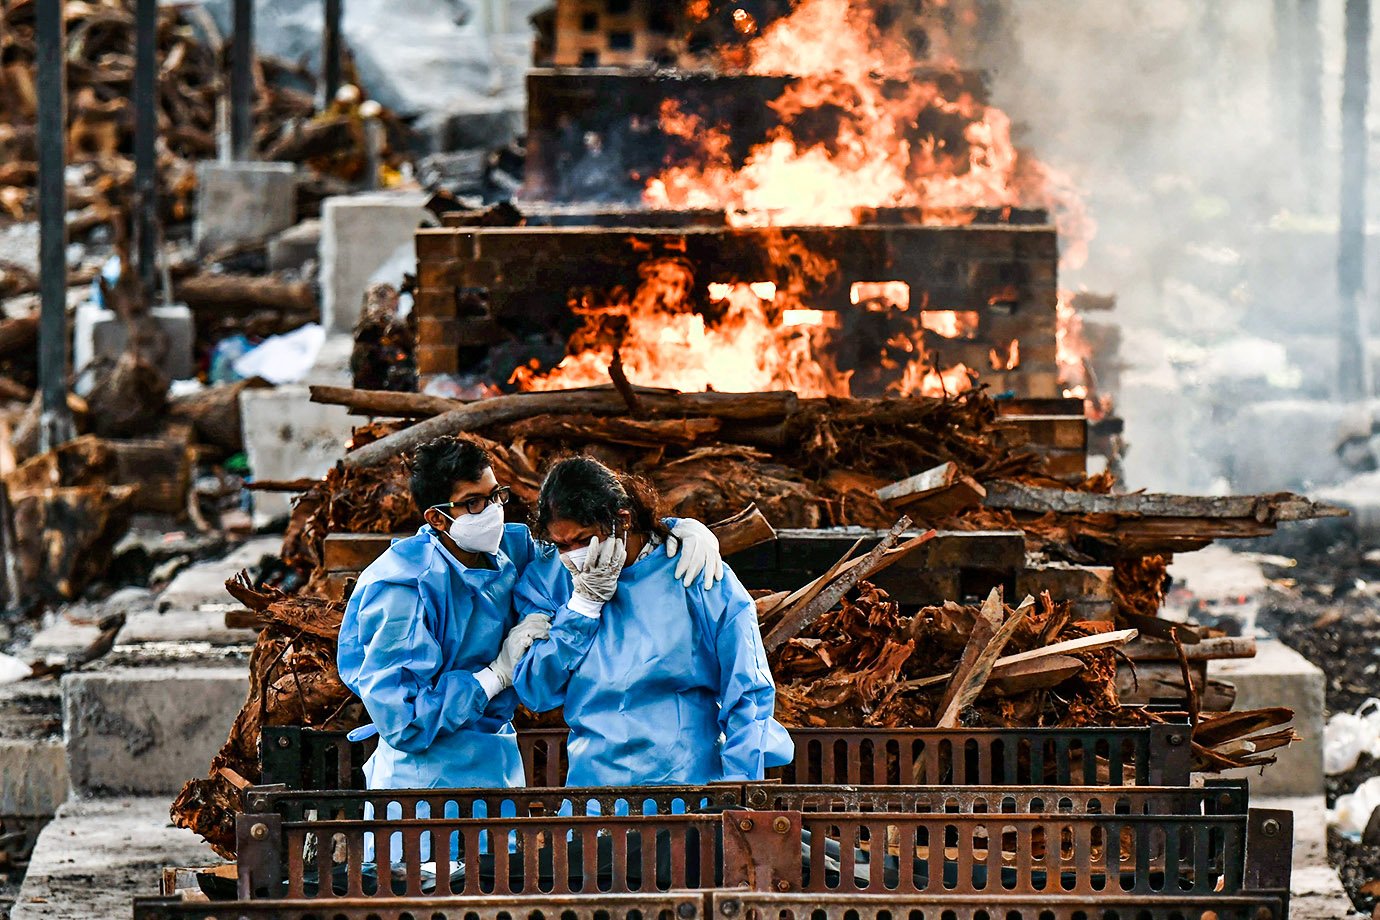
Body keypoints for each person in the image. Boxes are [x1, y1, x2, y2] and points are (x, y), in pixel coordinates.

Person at [336, 435, 725, 794]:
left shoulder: (512, 547)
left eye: (496, 496)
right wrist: (493, 678)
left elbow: (588, 535)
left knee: (494, 870)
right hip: (421, 784)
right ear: (437, 519)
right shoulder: (402, 590)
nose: (491, 512)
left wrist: (678, 529)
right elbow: (403, 722)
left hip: (497, 764)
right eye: (474, 503)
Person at [513, 456, 794, 787]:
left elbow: (747, 690)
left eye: (583, 539)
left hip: (689, 793)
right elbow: (535, 690)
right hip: (593, 800)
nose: (573, 554)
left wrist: (738, 787)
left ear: (623, 520)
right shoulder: (550, 580)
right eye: (562, 544)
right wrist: (581, 609)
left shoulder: (693, 571)